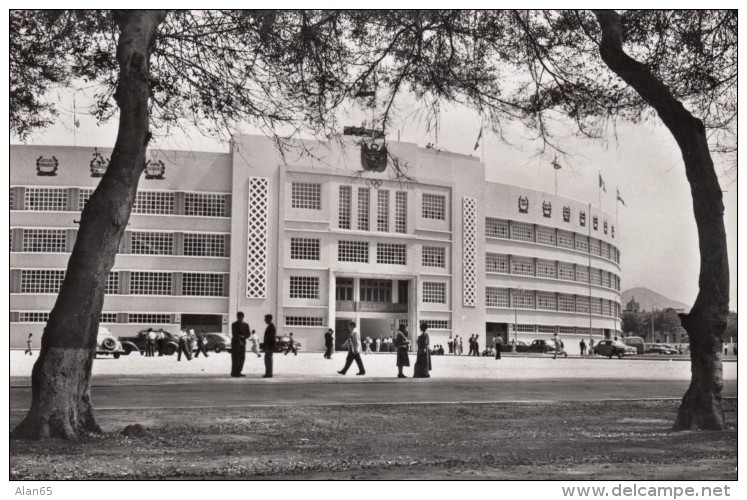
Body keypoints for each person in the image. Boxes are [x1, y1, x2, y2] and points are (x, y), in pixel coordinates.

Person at [231, 311, 250, 377]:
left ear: (243, 317)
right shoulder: (234, 324)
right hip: (236, 343)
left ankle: (238, 371)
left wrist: (244, 337)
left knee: (242, 358)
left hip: (243, 343)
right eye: (238, 317)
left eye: (240, 317)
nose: (239, 318)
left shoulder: (246, 325)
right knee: (235, 358)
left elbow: (248, 334)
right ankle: (234, 372)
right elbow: (235, 334)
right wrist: (242, 337)